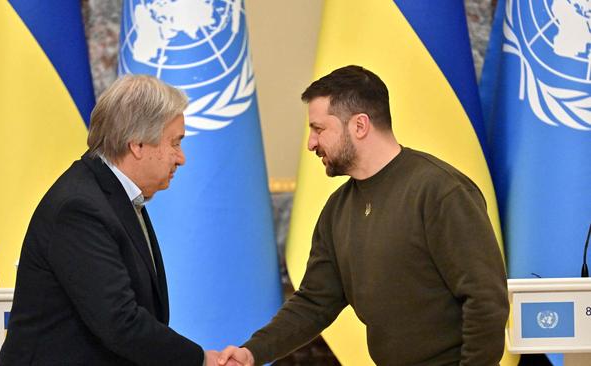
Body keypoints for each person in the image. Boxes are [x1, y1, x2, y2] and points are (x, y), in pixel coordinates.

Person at [218, 65, 509, 366]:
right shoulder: (337, 210)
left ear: (359, 126)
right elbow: (315, 302)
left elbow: (485, 300)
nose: (311, 143)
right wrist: (252, 352)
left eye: (319, 129)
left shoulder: (440, 191)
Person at [0, 75, 219, 365]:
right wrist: (201, 360)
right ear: (138, 144)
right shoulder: (80, 208)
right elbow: (119, 321)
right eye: (175, 143)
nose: (181, 158)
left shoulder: (113, 195)